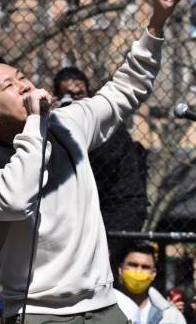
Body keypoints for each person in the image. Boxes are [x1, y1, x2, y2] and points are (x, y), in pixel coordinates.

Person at [0, 0, 184, 324]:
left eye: (21, 77)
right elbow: (18, 198)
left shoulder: (68, 123)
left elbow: (124, 90)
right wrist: (35, 122)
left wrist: (155, 24)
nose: (22, 85)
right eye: (7, 87)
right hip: (40, 315)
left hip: (103, 307)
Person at [52, 67, 149, 276]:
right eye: (66, 95)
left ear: (89, 93)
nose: (74, 101)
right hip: (83, 209)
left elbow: (104, 162)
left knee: (103, 268)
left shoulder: (103, 119)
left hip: (121, 205)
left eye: (78, 95)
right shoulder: (54, 123)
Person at [117, 242, 187, 324]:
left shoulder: (172, 317)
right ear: (120, 269)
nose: (138, 271)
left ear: (153, 273)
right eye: (133, 265)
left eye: (145, 267)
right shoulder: (101, 311)